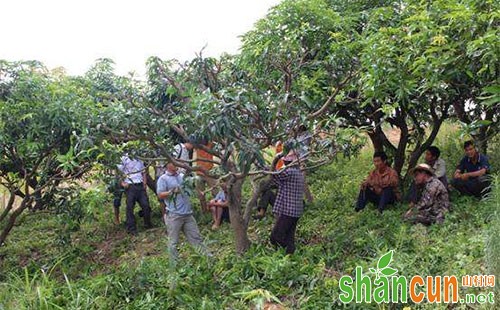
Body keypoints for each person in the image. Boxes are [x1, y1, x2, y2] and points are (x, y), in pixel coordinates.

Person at [157, 162, 210, 259]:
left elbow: (190, 186)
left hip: (187, 214)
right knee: (173, 242)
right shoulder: (163, 179)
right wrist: (172, 192)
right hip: (174, 215)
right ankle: (174, 264)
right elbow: (160, 195)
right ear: (167, 165)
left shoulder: (182, 176)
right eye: (172, 162)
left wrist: (199, 192)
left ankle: (207, 258)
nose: (176, 164)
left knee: (196, 237)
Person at [269, 151, 305, 254]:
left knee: (275, 237)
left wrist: (272, 163)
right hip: (295, 211)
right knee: (289, 236)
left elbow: (273, 175)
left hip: (288, 211)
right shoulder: (298, 173)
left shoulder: (289, 172)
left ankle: (284, 253)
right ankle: (289, 256)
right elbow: (277, 182)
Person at [117, 155, 152, 235]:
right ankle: (132, 228)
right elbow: (118, 172)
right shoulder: (124, 158)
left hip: (140, 184)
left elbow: (143, 171)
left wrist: (144, 183)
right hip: (130, 185)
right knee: (130, 207)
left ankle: (147, 224)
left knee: (145, 205)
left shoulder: (139, 157)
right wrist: (123, 183)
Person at [194, 140, 217, 212]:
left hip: (209, 172)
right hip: (199, 172)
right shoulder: (197, 144)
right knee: (201, 194)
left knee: (215, 192)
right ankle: (204, 210)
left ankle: (218, 209)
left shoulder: (210, 143)